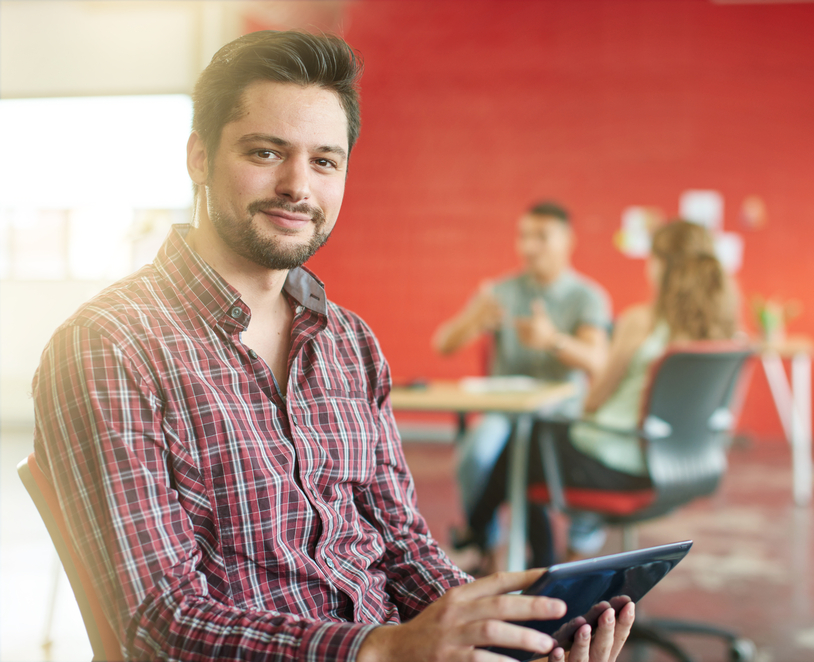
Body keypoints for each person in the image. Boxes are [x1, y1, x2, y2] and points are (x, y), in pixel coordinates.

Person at [31, 30, 634, 662]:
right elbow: (158, 624)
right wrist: (382, 649)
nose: (298, 186)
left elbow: (403, 547)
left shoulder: (349, 341)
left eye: (325, 161)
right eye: (266, 153)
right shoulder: (109, 347)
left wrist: (505, 637)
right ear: (198, 157)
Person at [465, 220, 738, 564]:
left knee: (526, 442)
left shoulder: (642, 321)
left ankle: (499, 543)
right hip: (687, 464)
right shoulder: (724, 333)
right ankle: (535, 558)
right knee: (532, 452)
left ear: (662, 266)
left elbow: (595, 400)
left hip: (620, 465)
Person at [433, 202, 611, 569]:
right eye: (524, 236)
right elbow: (443, 344)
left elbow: (598, 361)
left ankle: (576, 554)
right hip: (506, 410)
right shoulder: (500, 291)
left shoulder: (587, 296)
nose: (530, 246)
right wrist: (474, 320)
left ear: (568, 241)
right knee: (477, 453)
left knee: (582, 460)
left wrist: (553, 341)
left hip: (562, 412)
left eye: (542, 237)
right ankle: (488, 552)